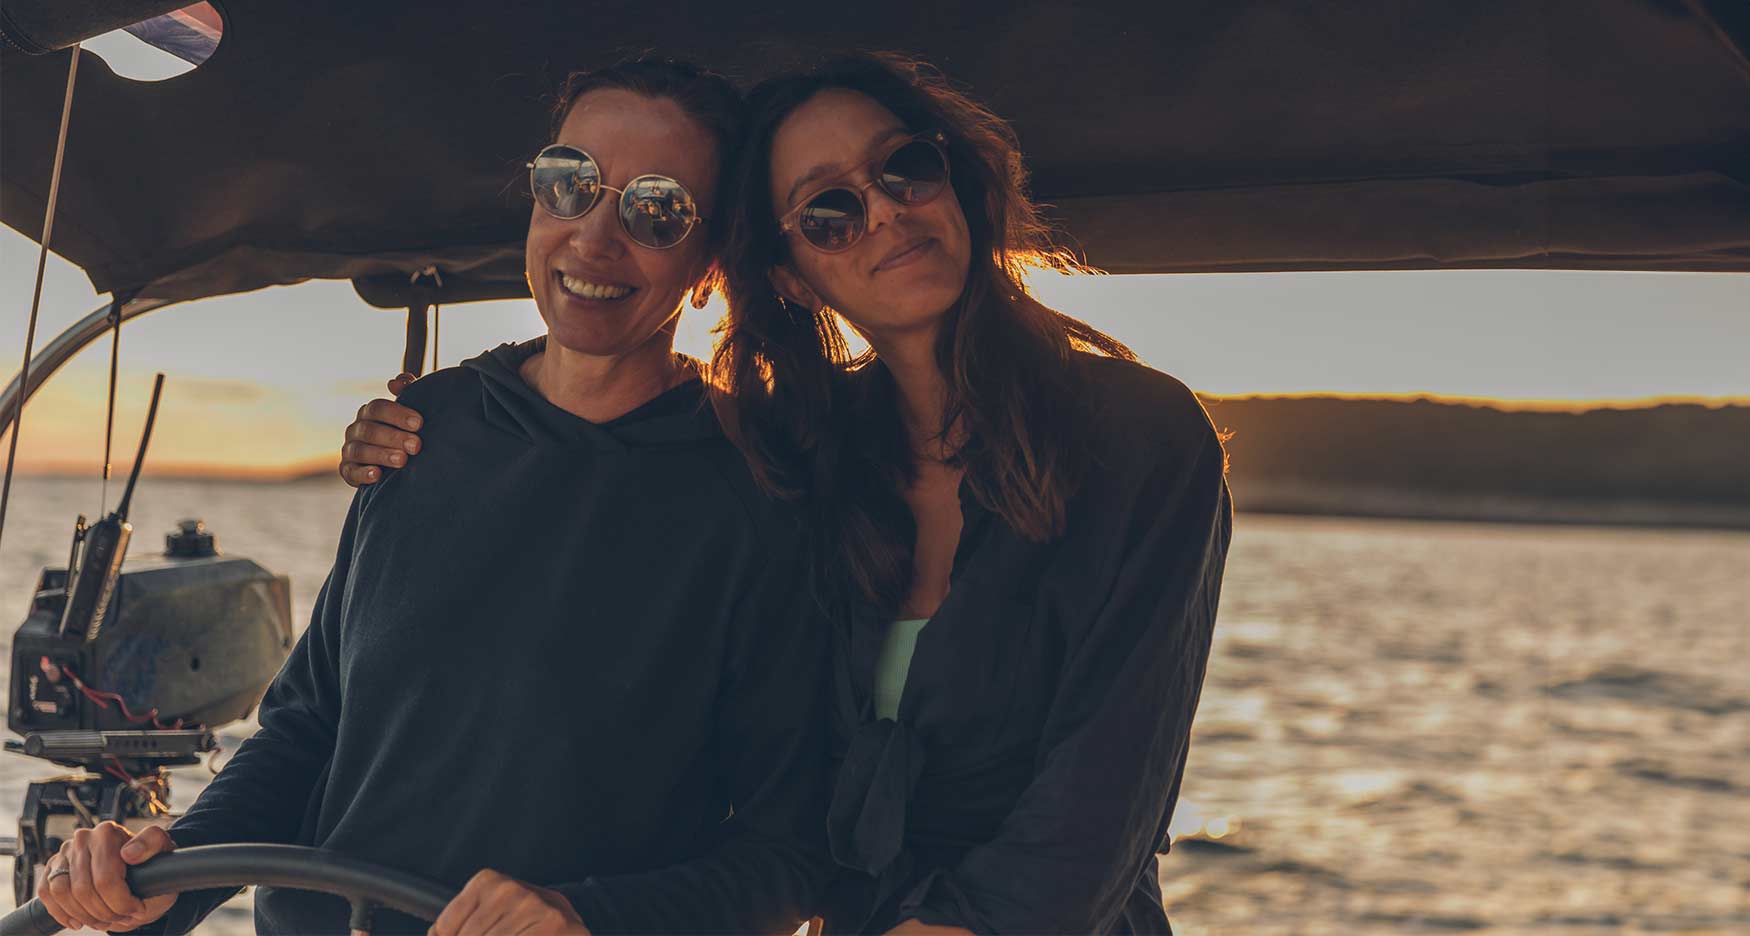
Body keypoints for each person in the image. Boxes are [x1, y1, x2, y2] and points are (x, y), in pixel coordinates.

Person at [342, 52, 1231, 935]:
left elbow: (1114, 769)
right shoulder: (805, 451)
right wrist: (430, 438)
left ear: (953, 179)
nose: (883, 210)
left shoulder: (1142, 436)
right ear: (790, 275)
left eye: (904, 168)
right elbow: (616, 478)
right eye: (829, 211)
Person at [37, 60, 830, 936]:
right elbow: (308, 729)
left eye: (656, 209)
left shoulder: (760, 495)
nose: (594, 239)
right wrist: (159, 881)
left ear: (712, 256)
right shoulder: (423, 428)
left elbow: (788, 858)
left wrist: (581, 918)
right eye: (570, 185)